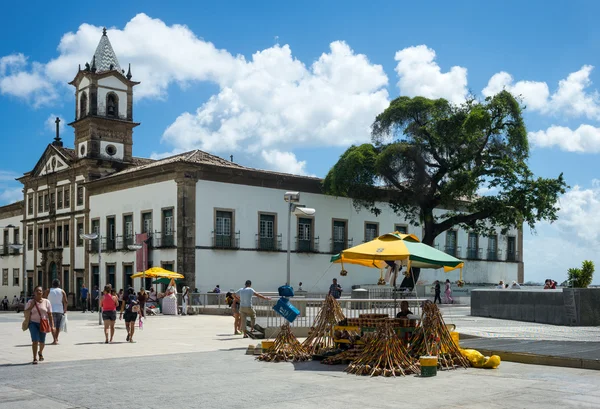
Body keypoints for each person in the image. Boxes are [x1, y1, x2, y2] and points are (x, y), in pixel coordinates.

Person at [25, 285, 54, 365]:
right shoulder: (30, 302)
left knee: (42, 342)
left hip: (43, 323)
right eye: (37, 291)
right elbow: (26, 312)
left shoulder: (47, 302)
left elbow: (50, 314)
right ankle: (34, 358)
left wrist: (52, 326)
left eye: (40, 291)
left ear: (42, 292)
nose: (39, 292)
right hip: (33, 323)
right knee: (35, 340)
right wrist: (31, 306)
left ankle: (40, 352)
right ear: (34, 292)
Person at [44, 279, 67, 345]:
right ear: (59, 284)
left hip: (51, 310)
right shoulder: (62, 291)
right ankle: (56, 339)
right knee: (58, 326)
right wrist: (65, 310)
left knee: (52, 326)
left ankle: (55, 339)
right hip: (60, 310)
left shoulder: (48, 290)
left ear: (52, 284)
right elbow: (65, 301)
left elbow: (44, 299)